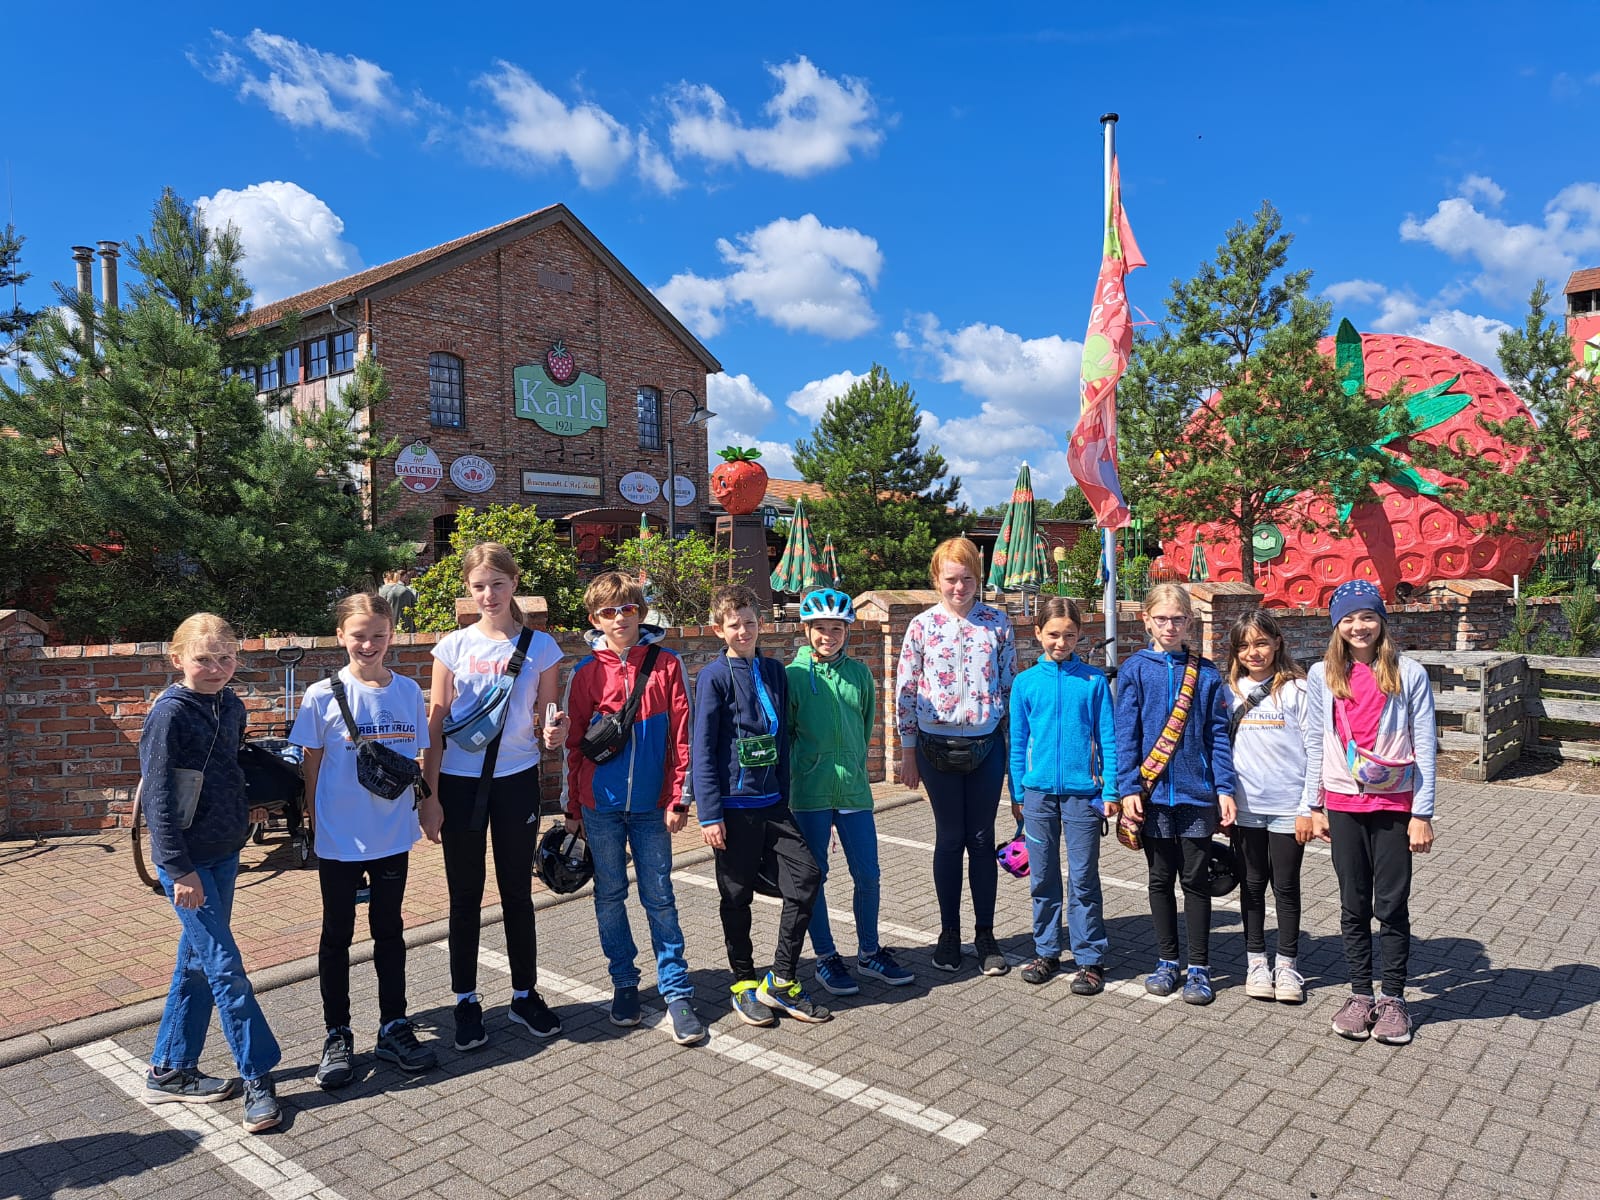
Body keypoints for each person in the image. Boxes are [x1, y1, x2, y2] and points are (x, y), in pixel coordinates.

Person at [138, 613, 282, 1133]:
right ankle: (259, 1075)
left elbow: (226, 769)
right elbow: (157, 798)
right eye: (204, 659)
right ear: (177, 660)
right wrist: (178, 868)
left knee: (198, 963)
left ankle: (171, 1068)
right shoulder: (170, 714)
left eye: (226, 658)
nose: (217, 668)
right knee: (225, 966)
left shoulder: (231, 704)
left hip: (225, 850)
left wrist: (248, 803)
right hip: (189, 862)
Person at [422, 542, 568, 1053]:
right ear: (469, 588)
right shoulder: (452, 647)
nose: (489, 594)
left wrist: (555, 734)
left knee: (516, 893)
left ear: (514, 583)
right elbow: (435, 725)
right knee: (464, 896)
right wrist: (430, 795)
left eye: (498, 584)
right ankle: (465, 1000)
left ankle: (524, 994)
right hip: (460, 785)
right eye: (479, 585)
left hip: (517, 780)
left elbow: (550, 715)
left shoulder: (542, 647)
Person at [290, 592, 436, 1090]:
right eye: (359, 635)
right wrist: (309, 819)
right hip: (339, 836)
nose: (369, 644)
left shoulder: (410, 692)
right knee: (336, 936)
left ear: (391, 635)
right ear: (340, 637)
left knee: (389, 930)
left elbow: (418, 758)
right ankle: (337, 1033)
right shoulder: (320, 695)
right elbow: (310, 763)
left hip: (392, 832)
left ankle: (394, 1025)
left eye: (378, 634)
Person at [564, 571, 705, 1045]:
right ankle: (624, 982)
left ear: (640, 613)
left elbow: (684, 734)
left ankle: (677, 990)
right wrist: (572, 808)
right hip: (599, 806)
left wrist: (680, 795)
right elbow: (573, 745)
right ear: (594, 620)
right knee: (609, 897)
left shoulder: (666, 665)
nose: (620, 618)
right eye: (609, 611)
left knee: (660, 897)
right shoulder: (586, 673)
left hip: (651, 806)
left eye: (627, 609)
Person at [1301, 580, 1437, 1046]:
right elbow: (1315, 743)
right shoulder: (1322, 675)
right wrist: (1312, 805)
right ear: (1337, 625)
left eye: (1368, 616)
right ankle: (1361, 994)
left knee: (1392, 904)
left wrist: (1423, 812)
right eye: (1349, 618)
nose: (1359, 626)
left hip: (1395, 804)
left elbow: (1426, 747)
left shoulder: (1409, 673)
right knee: (1353, 903)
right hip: (1342, 803)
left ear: (1382, 620)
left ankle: (1394, 998)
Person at [693, 584, 829, 1026]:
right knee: (735, 896)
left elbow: (783, 737)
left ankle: (781, 979)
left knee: (807, 878)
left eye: (750, 622)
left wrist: (785, 795)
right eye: (734, 624)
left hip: (772, 802)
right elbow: (704, 747)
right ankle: (742, 981)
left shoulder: (773, 670)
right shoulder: (714, 676)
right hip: (732, 806)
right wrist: (709, 813)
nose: (744, 630)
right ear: (719, 629)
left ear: (760, 623)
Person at [895, 537, 1017, 976]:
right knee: (949, 839)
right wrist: (907, 751)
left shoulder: (998, 624)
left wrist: (1012, 755)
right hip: (933, 746)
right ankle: (949, 934)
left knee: (982, 839)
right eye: (951, 579)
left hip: (987, 745)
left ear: (978, 580)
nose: (959, 587)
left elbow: (1009, 688)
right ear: (936, 580)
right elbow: (905, 692)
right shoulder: (921, 627)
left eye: (967, 578)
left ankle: (985, 934)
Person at [786, 588, 915, 997]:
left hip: (854, 791)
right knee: (815, 878)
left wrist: (854, 769)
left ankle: (870, 952)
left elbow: (865, 726)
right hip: (810, 792)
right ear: (807, 630)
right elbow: (787, 736)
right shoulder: (791, 677)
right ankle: (825, 957)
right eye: (820, 628)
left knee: (869, 875)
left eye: (836, 628)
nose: (828, 636)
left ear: (847, 630)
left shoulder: (860, 674)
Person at [1115, 583, 1236, 1006]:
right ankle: (1167, 961)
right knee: (1160, 879)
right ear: (1146, 619)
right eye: (1162, 618)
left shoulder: (1205, 673)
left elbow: (1217, 735)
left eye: (1178, 619)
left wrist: (1223, 787)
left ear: (1190, 621)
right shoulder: (1134, 669)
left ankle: (1200, 966)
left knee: (1196, 881)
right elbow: (1124, 736)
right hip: (1150, 797)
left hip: (1195, 794)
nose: (1170, 626)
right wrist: (1129, 787)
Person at [1007, 597, 1117, 994]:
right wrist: (1017, 791)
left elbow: (1108, 739)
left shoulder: (1093, 682)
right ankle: (1047, 950)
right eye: (1053, 634)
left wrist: (1111, 789)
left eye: (1069, 635)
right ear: (1037, 633)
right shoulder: (1025, 683)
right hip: (1036, 796)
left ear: (1078, 635)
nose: (1061, 642)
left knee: (1084, 878)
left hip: (1083, 796)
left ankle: (1089, 958)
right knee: (1043, 877)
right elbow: (1018, 741)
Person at [1226, 609, 1310, 1005]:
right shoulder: (1230, 691)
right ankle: (1256, 961)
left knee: (1286, 887)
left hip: (1288, 807)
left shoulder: (1298, 690)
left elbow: (1316, 749)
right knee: (1252, 885)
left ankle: (1288, 963)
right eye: (1244, 646)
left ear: (1277, 642)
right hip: (1245, 808)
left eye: (1261, 643)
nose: (1253, 652)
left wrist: (1310, 806)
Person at [379, 569, 418, 633]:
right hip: (406, 629)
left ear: (386, 579)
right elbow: (415, 608)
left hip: (387, 629)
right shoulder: (406, 590)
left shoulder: (381, 590)